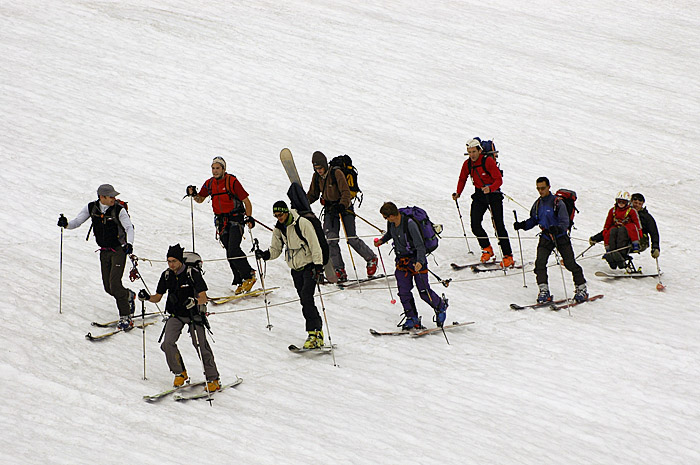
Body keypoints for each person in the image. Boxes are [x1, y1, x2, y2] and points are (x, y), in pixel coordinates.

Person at [138, 244, 220, 392]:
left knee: (201, 345)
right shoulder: (167, 275)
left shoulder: (192, 273)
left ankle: (213, 378)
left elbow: (203, 297)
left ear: (180, 261)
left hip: (194, 315)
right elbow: (158, 297)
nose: (171, 264)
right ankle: (180, 373)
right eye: (168, 261)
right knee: (167, 343)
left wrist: (194, 301)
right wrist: (147, 297)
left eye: (174, 261)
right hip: (176, 315)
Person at [57, 184, 136, 330]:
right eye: (111, 196)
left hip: (119, 250)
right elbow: (77, 222)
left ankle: (126, 317)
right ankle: (128, 295)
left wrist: (129, 244)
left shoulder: (119, 210)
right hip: (104, 251)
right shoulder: (91, 208)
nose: (114, 198)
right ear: (102, 197)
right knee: (108, 287)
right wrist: (66, 224)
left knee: (115, 283)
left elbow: (129, 227)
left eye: (114, 196)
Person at [255, 201, 326, 349]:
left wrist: (318, 266)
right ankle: (317, 333)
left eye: (280, 214)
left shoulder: (302, 223)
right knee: (305, 301)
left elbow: (315, 245)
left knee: (307, 297)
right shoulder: (279, 229)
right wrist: (265, 255)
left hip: (310, 266)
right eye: (276, 215)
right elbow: (276, 249)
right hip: (295, 269)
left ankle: (314, 333)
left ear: (286, 212)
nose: (278, 218)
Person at [187, 156, 256, 294]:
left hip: (236, 219)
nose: (215, 171)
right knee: (229, 252)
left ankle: (249, 275)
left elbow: (246, 202)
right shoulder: (209, 183)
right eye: (213, 168)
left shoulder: (232, 182)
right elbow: (200, 199)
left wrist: (249, 217)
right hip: (221, 222)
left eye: (218, 168)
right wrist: (194, 194)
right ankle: (240, 279)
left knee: (233, 249)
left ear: (224, 169)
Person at [306, 151, 378, 283]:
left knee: (351, 238)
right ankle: (339, 270)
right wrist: (303, 202)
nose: (319, 171)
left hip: (344, 208)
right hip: (329, 210)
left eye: (320, 168)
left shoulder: (336, 173)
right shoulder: (316, 177)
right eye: (316, 169)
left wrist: (341, 205)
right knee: (331, 240)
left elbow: (345, 192)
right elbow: (313, 194)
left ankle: (371, 258)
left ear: (325, 165)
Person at [374, 202, 448, 330]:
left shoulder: (410, 224)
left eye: (386, 217)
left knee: (424, 291)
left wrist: (420, 262)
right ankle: (412, 318)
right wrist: (382, 241)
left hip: (416, 261)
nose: (386, 220)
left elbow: (420, 245)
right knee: (404, 292)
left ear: (392, 215)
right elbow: (390, 234)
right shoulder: (391, 223)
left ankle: (440, 306)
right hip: (401, 262)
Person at [513, 177, 588, 303]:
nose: (540, 191)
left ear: (549, 187)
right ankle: (544, 291)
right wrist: (522, 225)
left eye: (543, 188)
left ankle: (581, 289)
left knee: (570, 264)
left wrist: (558, 229)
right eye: (538, 188)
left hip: (560, 237)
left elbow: (565, 221)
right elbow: (534, 219)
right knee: (540, 263)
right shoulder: (537, 204)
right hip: (546, 236)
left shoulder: (558, 202)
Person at [452, 139, 514, 268]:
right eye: (469, 152)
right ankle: (487, 248)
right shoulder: (467, 164)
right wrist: (458, 193)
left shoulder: (488, 161)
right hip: (480, 194)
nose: (472, 155)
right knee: (475, 224)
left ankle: (508, 256)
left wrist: (490, 188)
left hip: (494, 194)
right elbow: (462, 178)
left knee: (498, 225)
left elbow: (499, 179)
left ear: (480, 151)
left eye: (474, 152)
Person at [589, 191, 642, 270]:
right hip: (616, 229)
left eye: (623, 202)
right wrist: (604, 231)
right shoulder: (612, 211)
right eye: (619, 201)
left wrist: (639, 234)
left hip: (627, 233)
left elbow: (637, 223)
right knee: (612, 231)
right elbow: (608, 222)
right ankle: (611, 254)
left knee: (623, 230)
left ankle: (620, 255)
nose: (621, 204)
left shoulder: (631, 211)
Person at [631, 193, 660, 258]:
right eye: (635, 203)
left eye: (639, 204)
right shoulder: (624, 213)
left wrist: (655, 247)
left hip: (641, 241)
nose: (637, 205)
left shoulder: (646, 217)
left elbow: (654, 232)